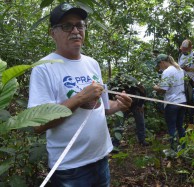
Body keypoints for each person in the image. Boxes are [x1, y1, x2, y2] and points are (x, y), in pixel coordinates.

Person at [27, 3, 132, 186]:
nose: (75, 30)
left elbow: (101, 109)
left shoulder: (92, 63)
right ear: (53, 33)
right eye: (67, 26)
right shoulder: (43, 68)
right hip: (70, 168)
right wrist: (80, 98)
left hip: (101, 158)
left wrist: (119, 106)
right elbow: (39, 125)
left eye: (80, 25)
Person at [153, 54, 186, 150]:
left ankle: (173, 149)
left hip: (172, 103)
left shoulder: (167, 71)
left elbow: (163, 89)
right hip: (182, 101)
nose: (159, 68)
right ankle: (183, 147)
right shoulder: (179, 69)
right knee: (180, 126)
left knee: (171, 127)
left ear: (162, 62)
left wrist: (155, 87)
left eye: (159, 65)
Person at [108, 74, 149, 146]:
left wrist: (140, 105)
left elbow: (143, 91)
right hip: (121, 105)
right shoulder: (113, 84)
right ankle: (115, 143)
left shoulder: (133, 83)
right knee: (119, 123)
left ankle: (142, 140)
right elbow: (108, 96)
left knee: (140, 122)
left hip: (136, 104)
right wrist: (114, 105)